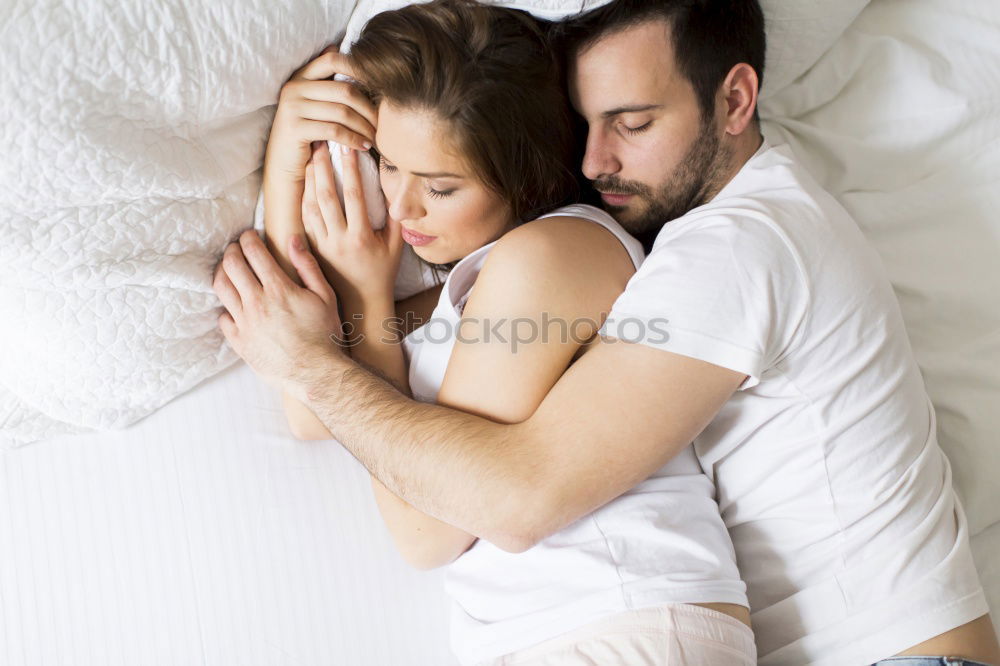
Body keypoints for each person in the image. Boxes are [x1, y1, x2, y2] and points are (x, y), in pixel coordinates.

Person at [213, 0, 1000, 663]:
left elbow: (500, 498)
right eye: (585, 124)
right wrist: (293, 161)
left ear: (734, 101)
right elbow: (331, 381)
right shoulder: (645, 255)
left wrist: (316, 357)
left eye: (632, 122)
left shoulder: (737, 245)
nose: (593, 159)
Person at [228, 1, 756, 664]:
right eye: (389, 166)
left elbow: (427, 529)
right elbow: (314, 405)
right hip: (559, 630)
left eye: (441, 186)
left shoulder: (556, 255)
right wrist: (286, 164)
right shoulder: (466, 291)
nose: (401, 206)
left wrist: (363, 296)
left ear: (522, 175)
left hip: (622, 619)